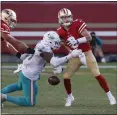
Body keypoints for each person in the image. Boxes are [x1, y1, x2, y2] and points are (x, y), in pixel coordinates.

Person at [1, 31, 84, 107]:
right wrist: (71, 55)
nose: (57, 44)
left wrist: (58, 66)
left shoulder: (43, 44)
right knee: (29, 102)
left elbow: (47, 58)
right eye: (56, 42)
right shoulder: (45, 48)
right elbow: (54, 62)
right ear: (50, 41)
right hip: (29, 75)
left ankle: (1, 92)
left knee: (21, 86)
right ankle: (4, 97)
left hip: (25, 70)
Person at [56, 8, 116, 107]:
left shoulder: (77, 23)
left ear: (71, 17)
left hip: (86, 53)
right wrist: (70, 51)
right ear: (59, 19)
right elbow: (63, 42)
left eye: (67, 17)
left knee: (97, 74)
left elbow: (89, 37)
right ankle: (70, 97)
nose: (66, 19)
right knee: (66, 77)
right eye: (63, 17)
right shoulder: (59, 31)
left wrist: (77, 41)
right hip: (75, 56)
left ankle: (110, 96)